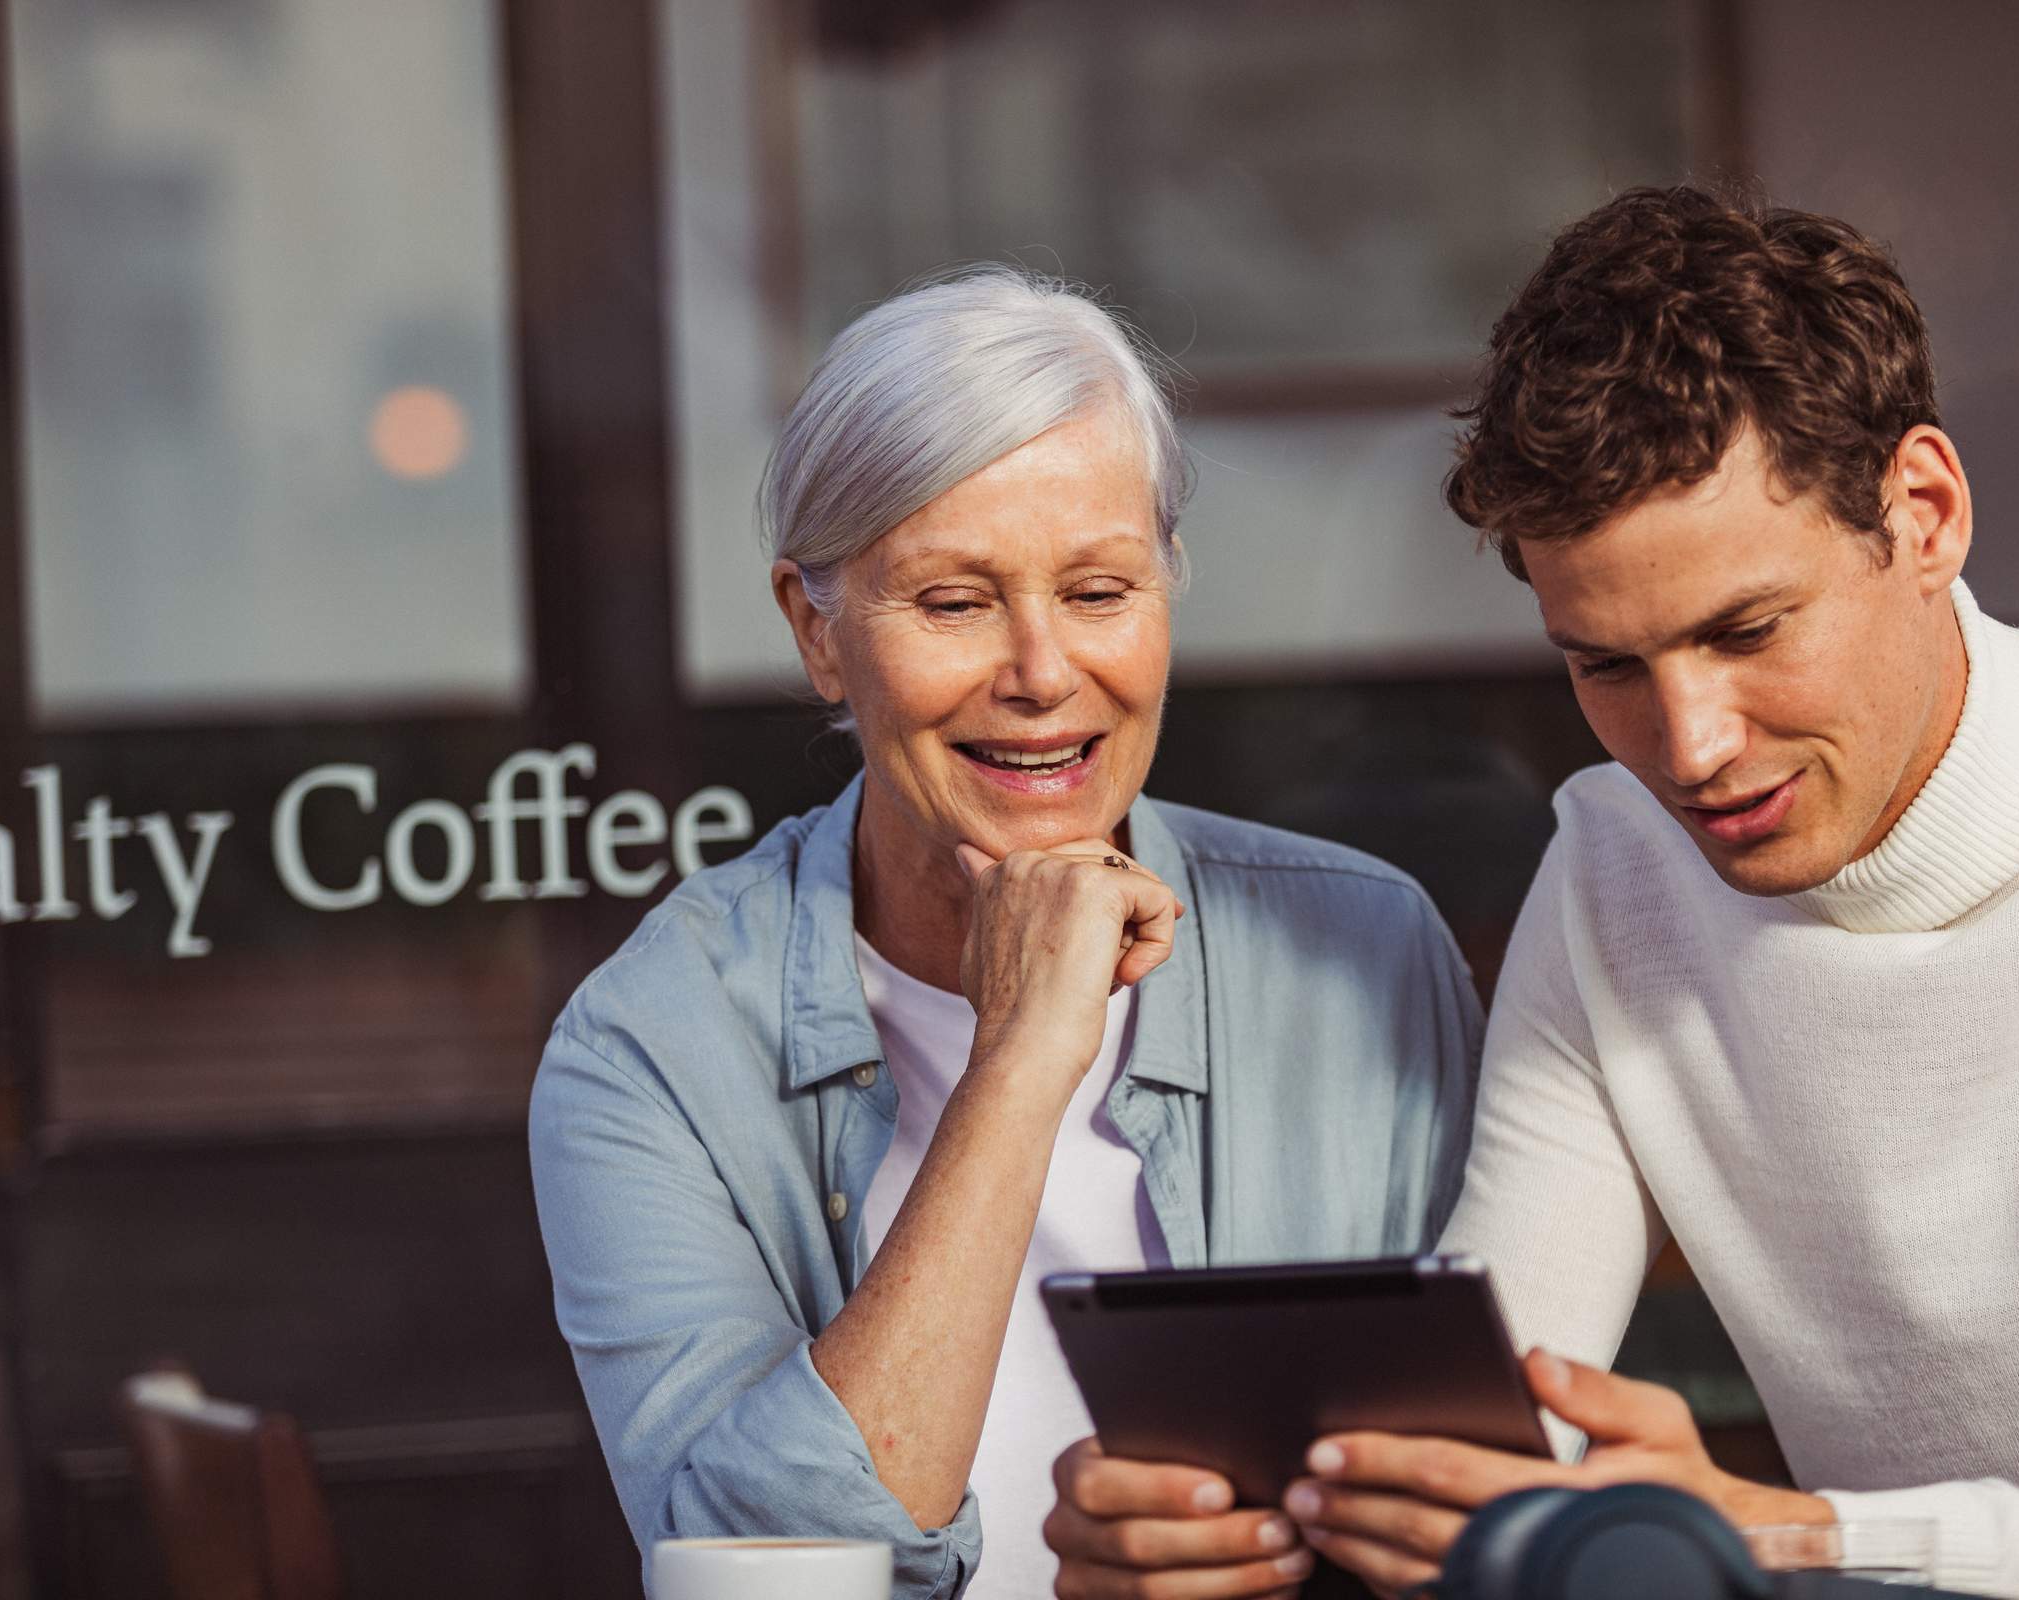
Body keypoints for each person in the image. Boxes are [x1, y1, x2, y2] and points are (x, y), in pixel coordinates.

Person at [1046, 187, 2019, 1599]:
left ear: (1927, 512)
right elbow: (1495, 1439)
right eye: (1607, 666)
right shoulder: (1615, 867)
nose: (1689, 749)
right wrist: (1245, 1526)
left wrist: (1793, 1529)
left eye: (1748, 631)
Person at [526, 267, 1484, 1599]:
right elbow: (767, 1580)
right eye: (955, 603)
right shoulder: (652, 1050)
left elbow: (1491, 1513)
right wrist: (1022, 1057)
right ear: (818, 632)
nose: (1041, 674)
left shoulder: (1368, 952)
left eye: (1098, 592)